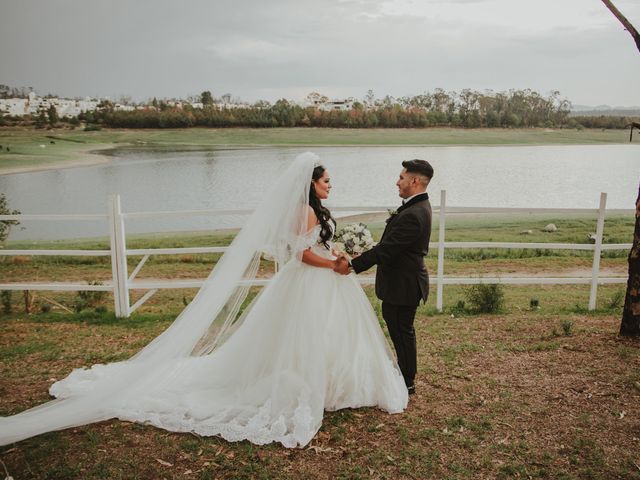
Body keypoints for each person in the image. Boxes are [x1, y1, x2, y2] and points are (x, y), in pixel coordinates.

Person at [0, 153, 407, 448]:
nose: (329, 184)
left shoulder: (315, 209)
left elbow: (316, 244)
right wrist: (332, 264)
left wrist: (338, 255)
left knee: (330, 336)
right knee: (304, 336)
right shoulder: (303, 211)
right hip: (309, 282)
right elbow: (299, 253)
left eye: (329, 180)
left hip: (324, 280)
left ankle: (335, 383)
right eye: (325, 180)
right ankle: (312, 385)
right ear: (310, 183)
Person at [336, 160, 433, 395]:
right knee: (400, 329)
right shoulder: (415, 207)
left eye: (401, 177)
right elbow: (390, 246)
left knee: (402, 331)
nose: (397, 181)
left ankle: (407, 381)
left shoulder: (414, 213)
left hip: (404, 285)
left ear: (415, 181)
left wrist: (352, 264)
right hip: (402, 283)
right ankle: (404, 375)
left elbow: (387, 249)